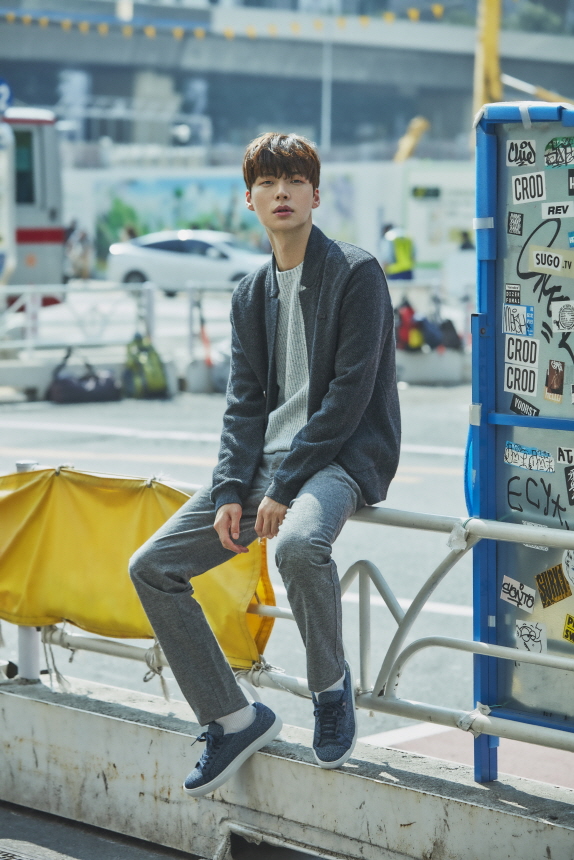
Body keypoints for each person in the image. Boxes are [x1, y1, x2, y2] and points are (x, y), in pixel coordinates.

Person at [129, 132, 401, 798]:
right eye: (268, 183)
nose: (282, 193)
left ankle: (330, 690)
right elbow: (243, 403)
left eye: (295, 181)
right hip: (264, 468)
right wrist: (230, 488)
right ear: (248, 200)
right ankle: (232, 717)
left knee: (299, 546)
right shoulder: (250, 292)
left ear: (315, 194)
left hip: (338, 458)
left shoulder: (356, 273)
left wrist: (282, 484)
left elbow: (349, 396)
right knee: (152, 567)